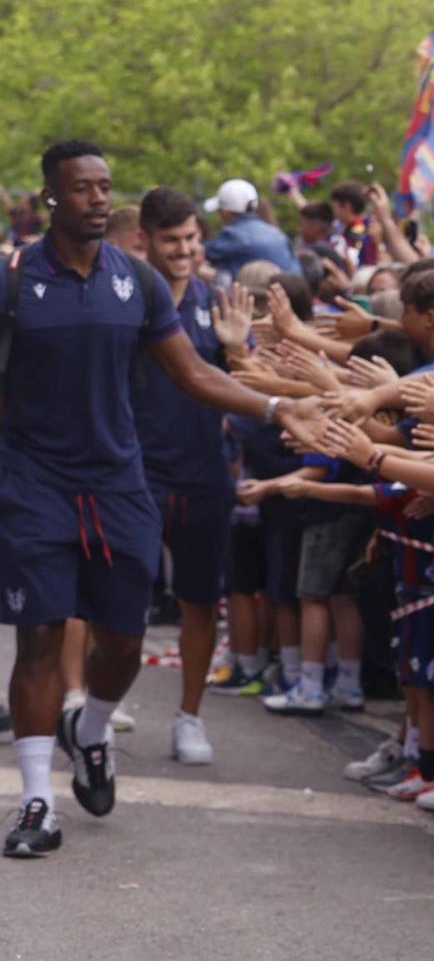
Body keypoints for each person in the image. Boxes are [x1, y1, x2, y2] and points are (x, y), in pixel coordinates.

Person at [1, 141, 320, 859]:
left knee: (121, 641)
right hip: (33, 483)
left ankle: (89, 733)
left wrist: (274, 406)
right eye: (80, 187)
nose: (94, 197)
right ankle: (37, 802)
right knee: (42, 636)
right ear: (52, 196)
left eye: (103, 186)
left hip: (118, 482)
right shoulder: (14, 278)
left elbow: (193, 374)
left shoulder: (136, 282)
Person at [132, 186, 253, 764]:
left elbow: (250, 387)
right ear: (145, 241)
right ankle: (96, 702)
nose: (183, 250)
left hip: (205, 476)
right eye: (171, 240)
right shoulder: (126, 300)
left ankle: (189, 719)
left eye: (190, 239)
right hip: (135, 475)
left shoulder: (219, 303)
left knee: (200, 603)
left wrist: (238, 353)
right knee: (116, 598)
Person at [203, 177, 301, 280]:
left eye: (219, 210)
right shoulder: (278, 234)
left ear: (225, 212)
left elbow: (199, 253)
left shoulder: (232, 235)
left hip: (256, 294)